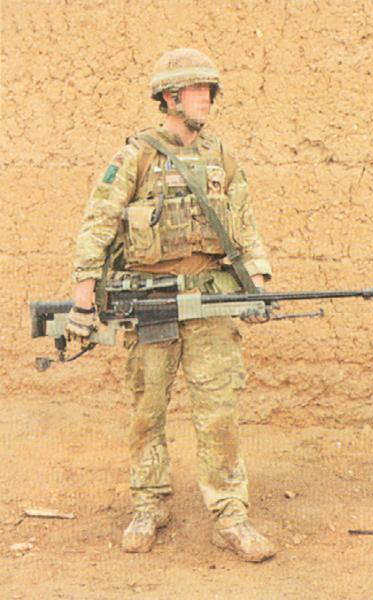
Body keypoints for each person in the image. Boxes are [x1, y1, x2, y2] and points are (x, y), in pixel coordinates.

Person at [66, 48, 276, 562]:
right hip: (152, 302)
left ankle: (230, 514)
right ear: (170, 97)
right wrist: (83, 296)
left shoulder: (221, 155)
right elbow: (98, 221)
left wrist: (257, 281)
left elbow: (244, 220)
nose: (207, 100)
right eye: (197, 91)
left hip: (210, 301)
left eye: (210, 91)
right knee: (147, 409)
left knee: (219, 411)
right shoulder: (135, 156)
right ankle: (149, 504)